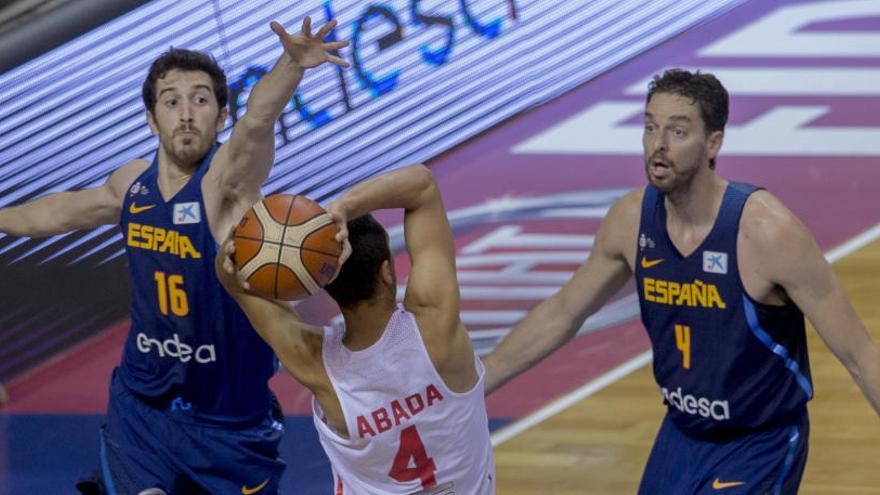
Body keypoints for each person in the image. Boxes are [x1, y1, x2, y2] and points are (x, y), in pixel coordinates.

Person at [482, 69, 880, 494]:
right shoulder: (630, 220)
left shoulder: (766, 232)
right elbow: (563, 313)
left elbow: (860, 354)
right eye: (651, 127)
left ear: (714, 143)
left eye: (678, 131)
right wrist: (473, 388)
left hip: (759, 441)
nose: (659, 145)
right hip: (681, 434)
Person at [0, 16, 349, 495]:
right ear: (151, 118)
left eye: (201, 100)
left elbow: (259, 121)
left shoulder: (227, 184)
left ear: (220, 115)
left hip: (230, 420)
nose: (186, 114)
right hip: (142, 407)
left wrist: (291, 64)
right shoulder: (130, 185)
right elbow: (57, 212)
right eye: (172, 102)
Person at [216, 164, 495, 494]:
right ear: (387, 271)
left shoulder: (315, 365)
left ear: (326, 287)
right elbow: (422, 185)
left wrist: (237, 256)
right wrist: (343, 209)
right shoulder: (436, 323)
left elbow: (231, 278)